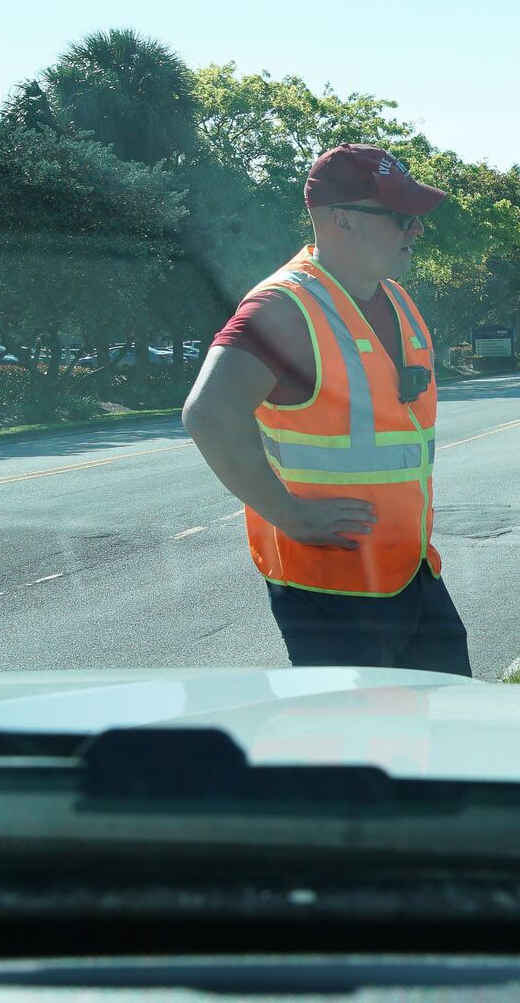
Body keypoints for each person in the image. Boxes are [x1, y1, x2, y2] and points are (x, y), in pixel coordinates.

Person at [181, 144, 471, 676]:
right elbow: (209, 414)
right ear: (343, 220)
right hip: (332, 588)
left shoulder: (396, 299)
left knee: (442, 730)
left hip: (411, 572)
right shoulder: (284, 306)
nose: (416, 230)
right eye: (401, 217)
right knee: (353, 746)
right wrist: (289, 515)